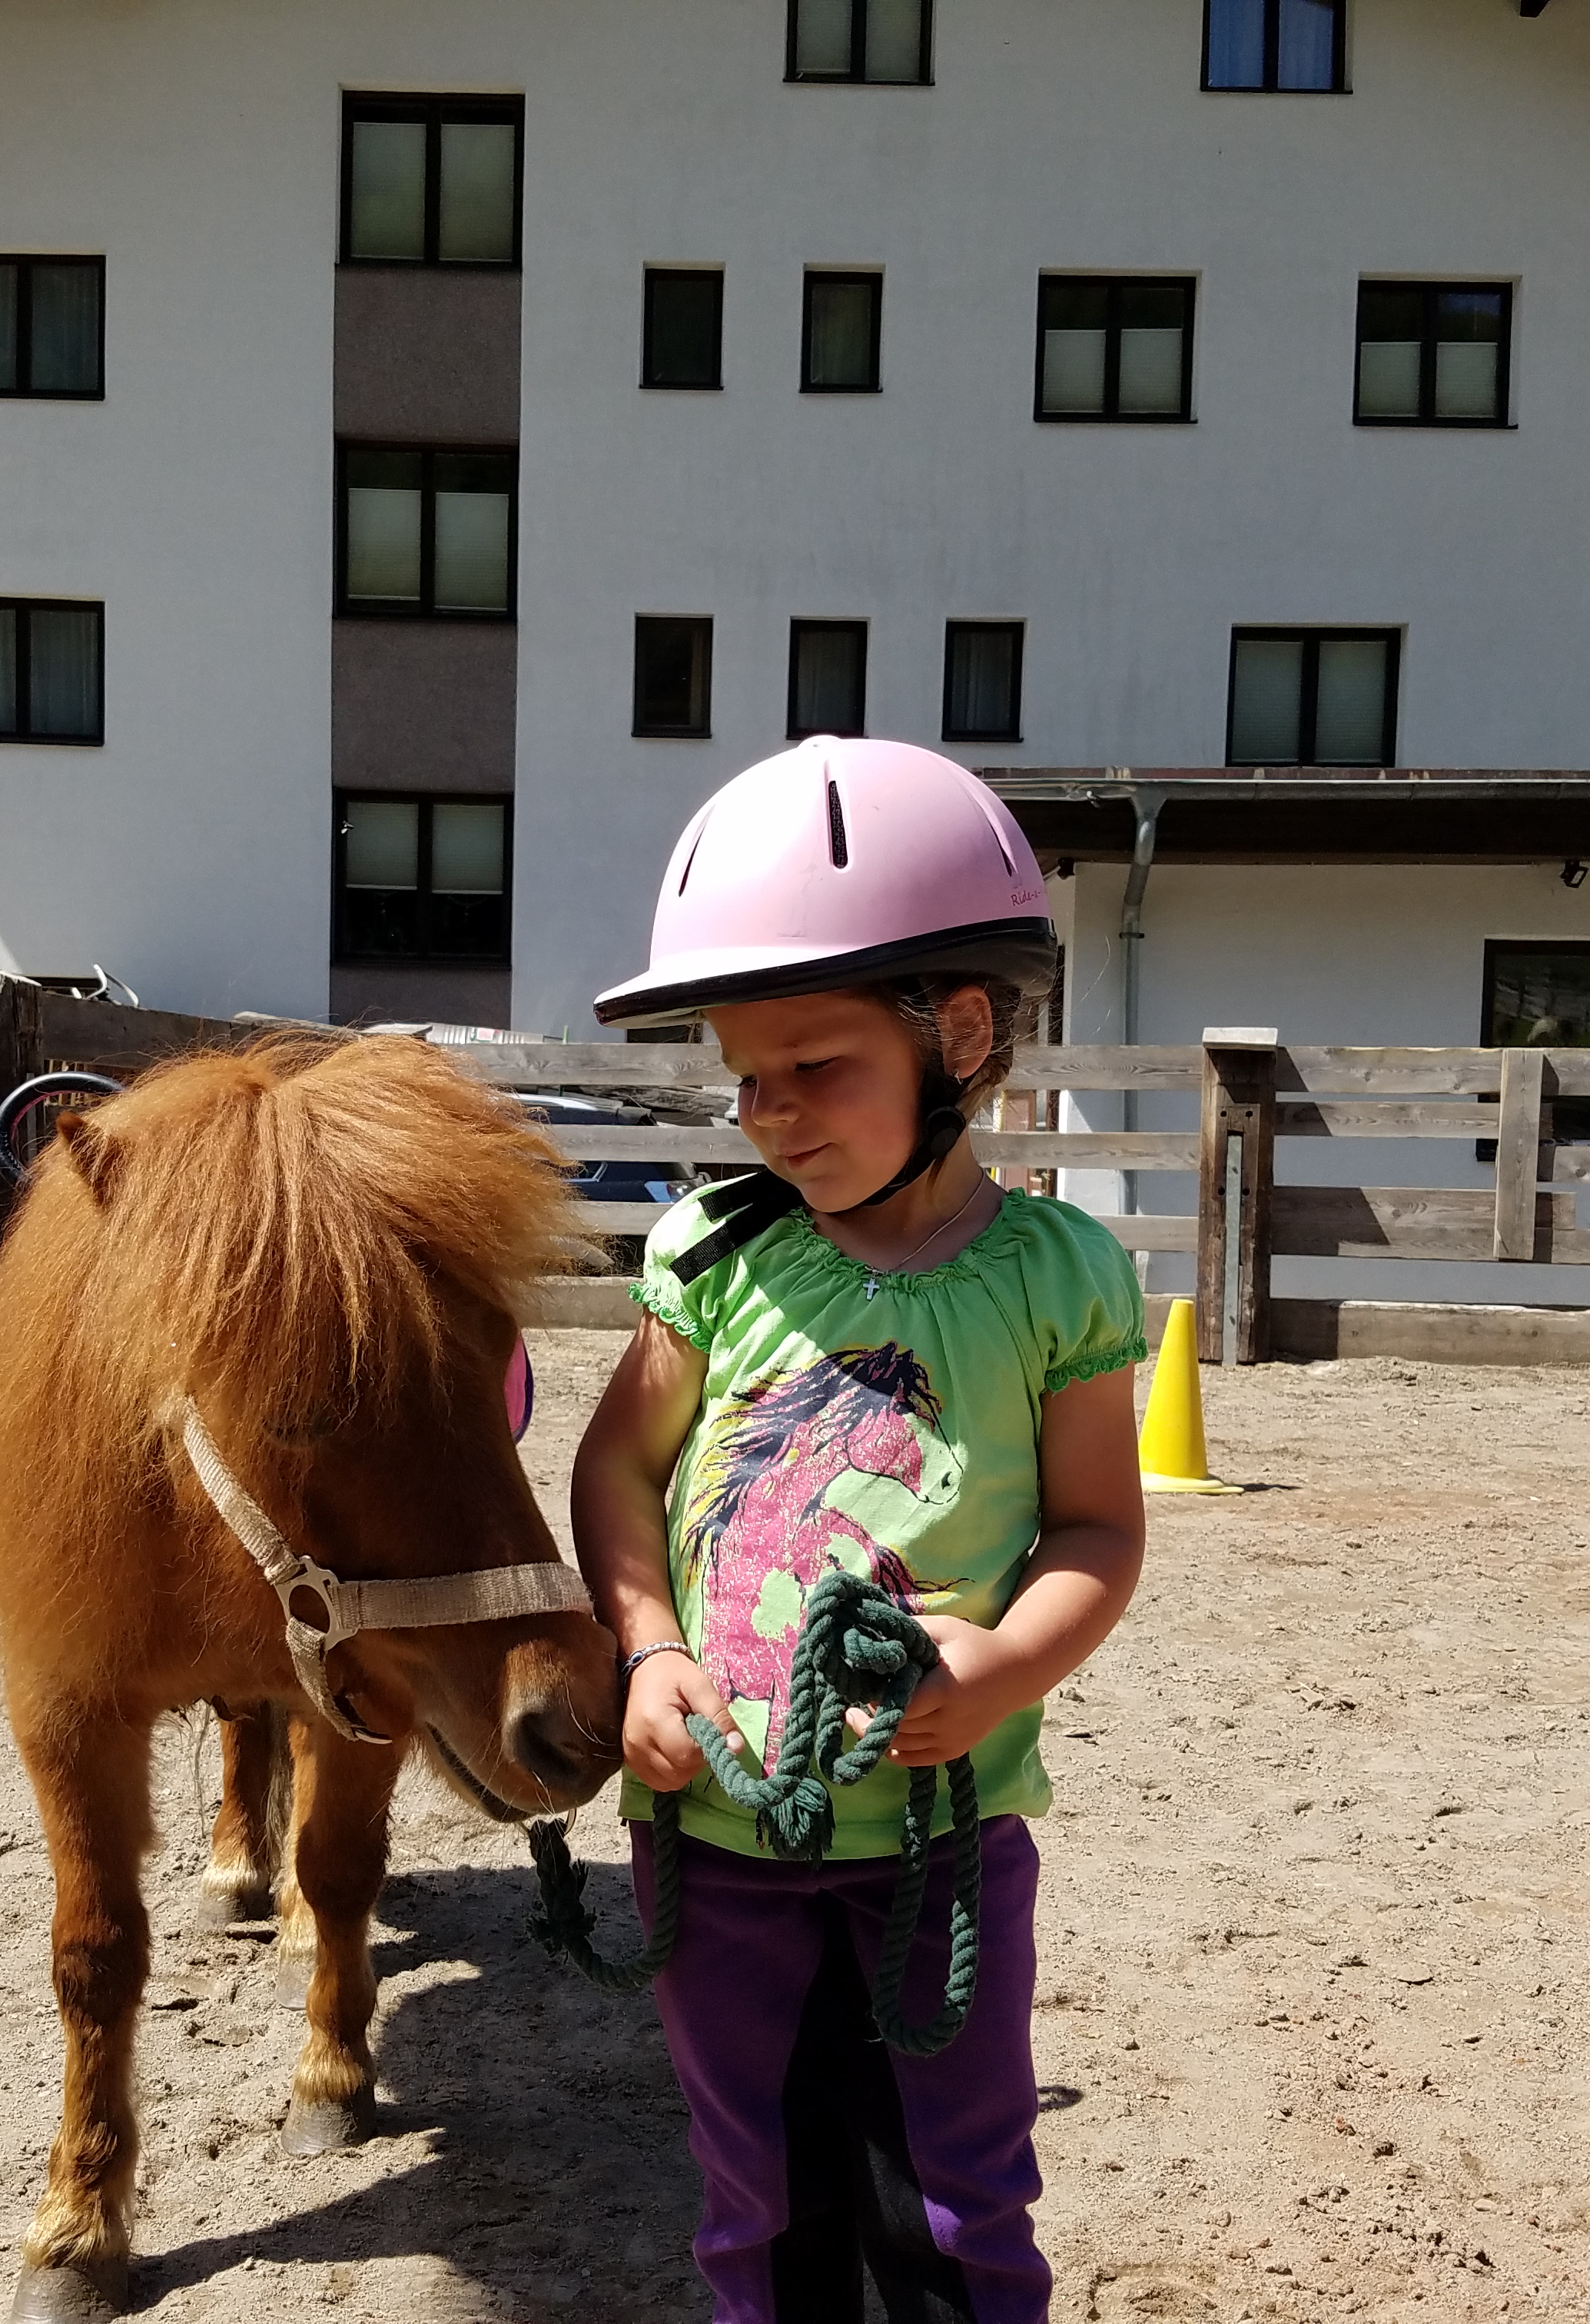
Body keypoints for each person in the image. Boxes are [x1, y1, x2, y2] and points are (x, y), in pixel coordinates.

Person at [571, 735, 1150, 2323]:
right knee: (759, 2195)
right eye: (741, 1072)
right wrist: (650, 1652)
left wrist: (1006, 1662)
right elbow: (618, 1472)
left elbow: (1100, 1526)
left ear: (958, 1035)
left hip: (940, 1851)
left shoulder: (1060, 1277)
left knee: (962, 2202)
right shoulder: (711, 1254)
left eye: (813, 1065)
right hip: (716, 1843)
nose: (765, 1112)